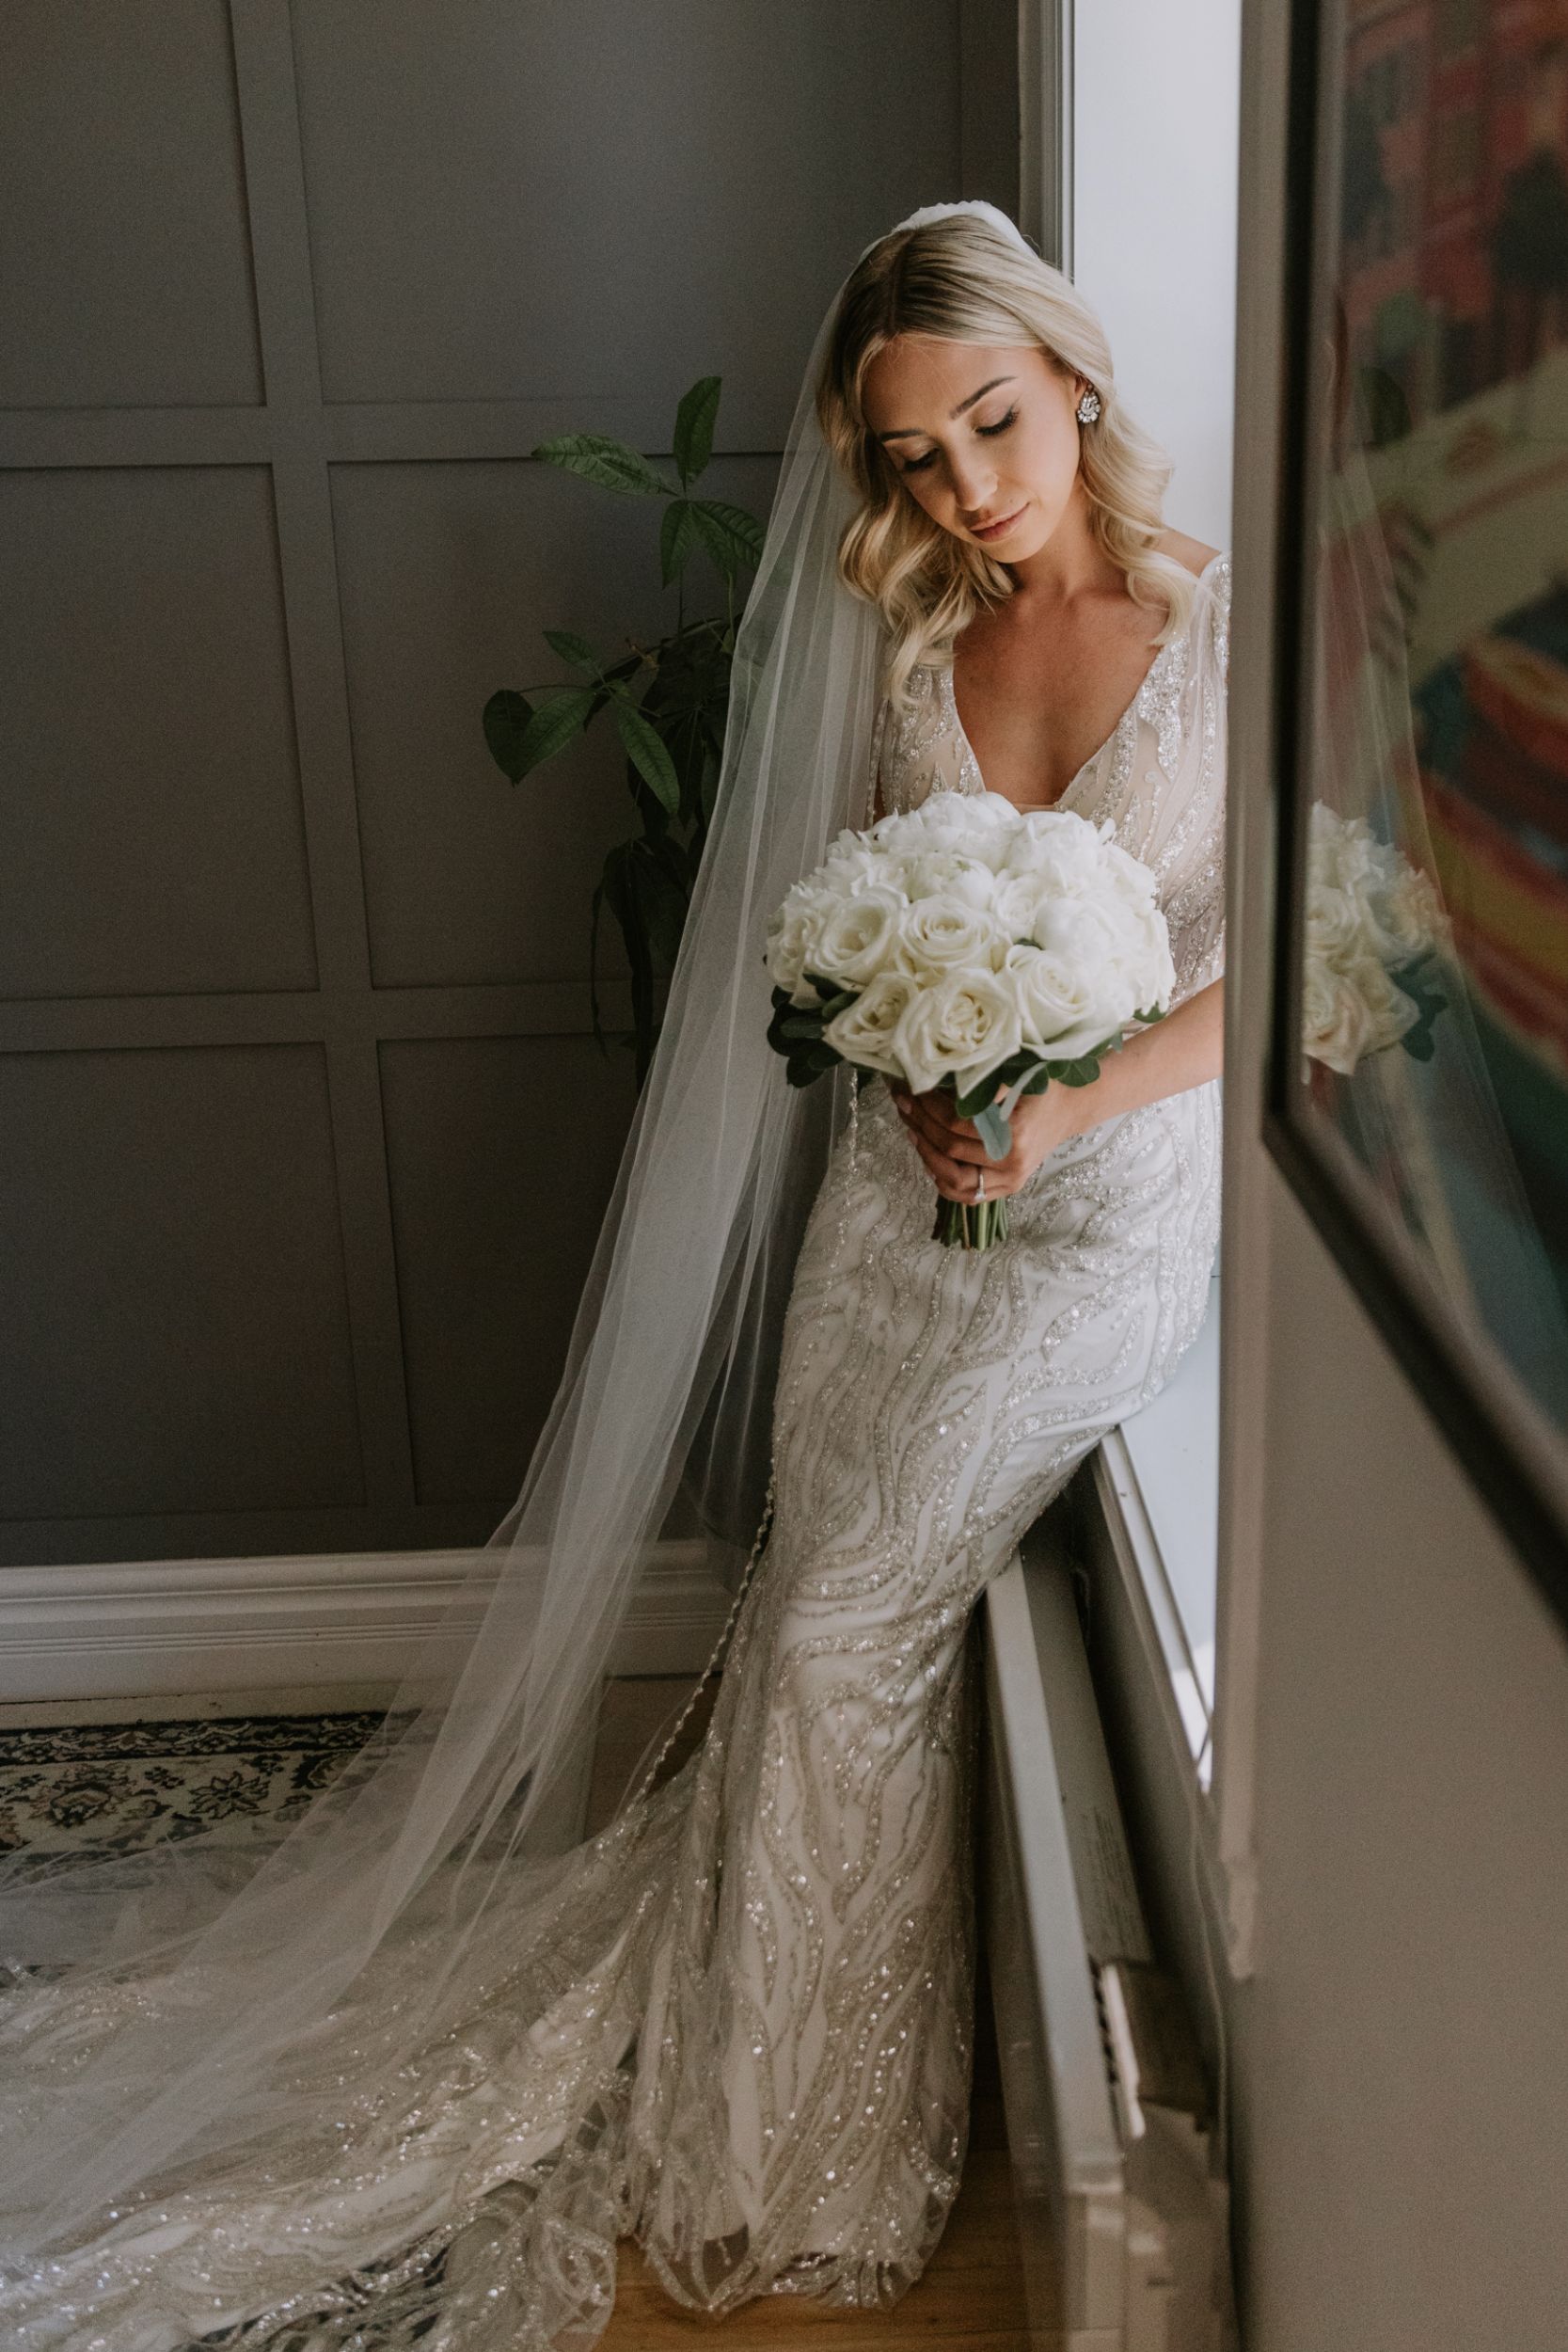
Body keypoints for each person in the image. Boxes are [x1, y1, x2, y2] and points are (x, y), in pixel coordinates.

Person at [0, 202, 1227, 2350]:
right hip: (900, 1211)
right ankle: (769, 2067)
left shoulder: (1219, 637)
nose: (961, 486)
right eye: (913, 456)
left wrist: (1069, 1100)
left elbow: (1315, 947)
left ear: (1077, 373)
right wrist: (916, 1057)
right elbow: (858, 935)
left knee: (852, 1616)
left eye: (993, 424)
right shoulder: (913, 641)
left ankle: (805, 2150)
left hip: (1104, 1230)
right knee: (808, 1590)